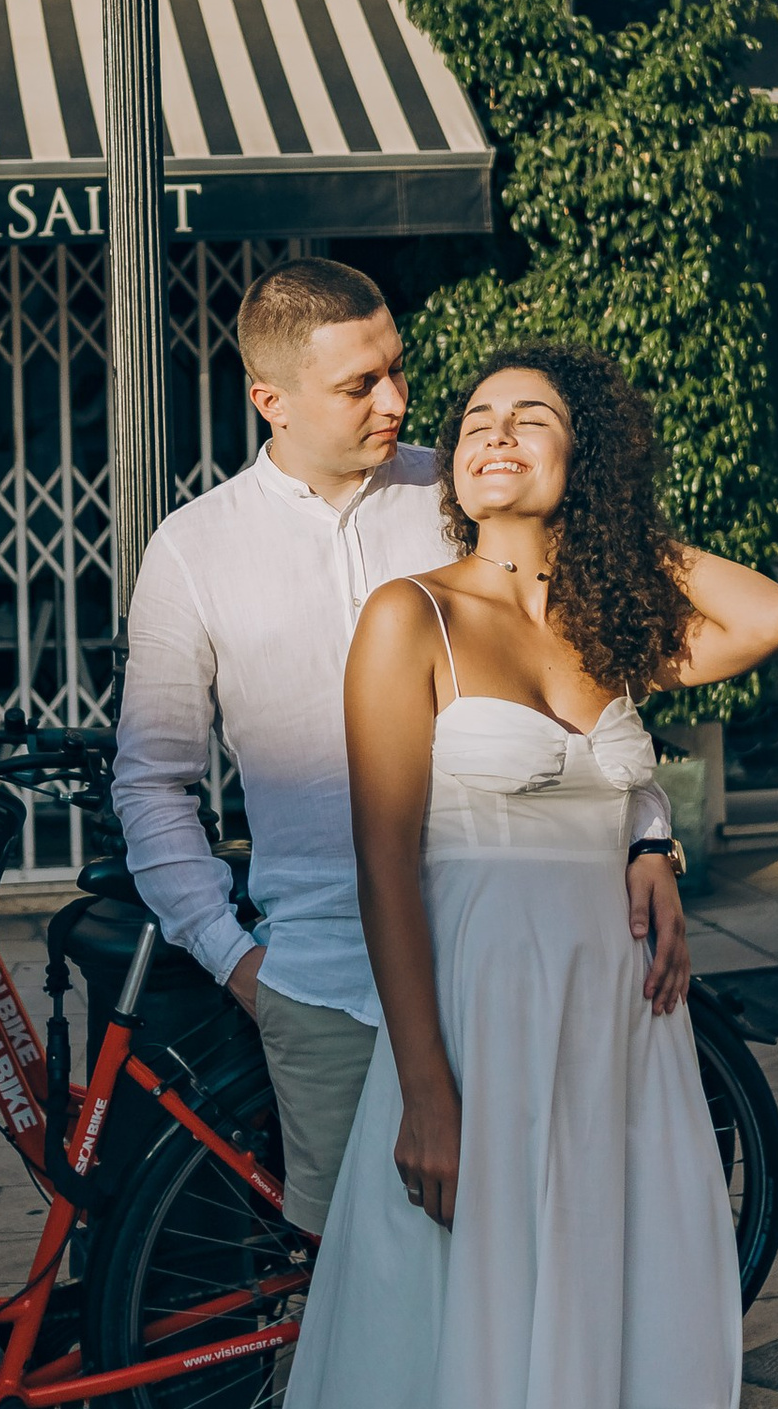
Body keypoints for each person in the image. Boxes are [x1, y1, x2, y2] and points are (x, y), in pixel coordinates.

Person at [120, 339, 778, 1409]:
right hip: (483, 1055)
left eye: (533, 422)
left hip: (623, 1063)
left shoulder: (614, 623)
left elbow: (770, 614)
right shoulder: (410, 615)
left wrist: (650, 837)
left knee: (654, 1373)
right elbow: (383, 867)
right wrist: (425, 1086)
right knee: (520, 1404)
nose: (490, 436)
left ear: (590, 465)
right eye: (475, 418)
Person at [112, 261, 684, 1239]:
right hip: (327, 982)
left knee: (535, 1250)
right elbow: (153, 778)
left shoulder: (455, 495)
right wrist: (234, 958)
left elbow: (583, 667)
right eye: (358, 385)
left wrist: (647, 836)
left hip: (512, 960)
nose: (396, 401)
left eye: (397, 370)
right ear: (271, 401)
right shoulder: (195, 549)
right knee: (353, 1281)